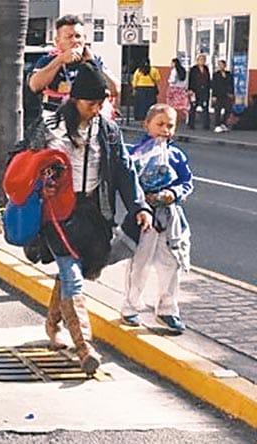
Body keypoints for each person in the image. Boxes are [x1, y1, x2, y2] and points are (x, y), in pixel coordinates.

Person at [33, 61, 152, 375]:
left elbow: (124, 170)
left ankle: (52, 324)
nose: (96, 109)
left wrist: (139, 206)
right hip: (56, 212)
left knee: (78, 270)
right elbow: (23, 161)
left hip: (93, 213)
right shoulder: (50, 126)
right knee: (71, 272)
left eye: (101, 103)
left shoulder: (108, 130)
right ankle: (84, 347)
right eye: (91, 103)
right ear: (75, 100)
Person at [120, 104, 192, 333]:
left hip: (169, 217)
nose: (165, 130)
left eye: (170, 126)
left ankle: (167, 309)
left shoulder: (176, 155)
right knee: (139, 263)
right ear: (146, 125)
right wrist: (142, 199)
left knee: (171, 262)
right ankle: (130, 306)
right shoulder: (135, 154)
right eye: (160, 124)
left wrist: (174, 193)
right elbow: (128, 183)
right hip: (145, 218)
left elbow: (186, 181)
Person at [29, 15, 120, 119]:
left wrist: (92, 63)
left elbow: (115, 90)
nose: (74, 41)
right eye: (69, 37)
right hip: (56, 116)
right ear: (57, 41)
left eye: (78, 36)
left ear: (84, 38)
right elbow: (34, 86)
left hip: (88, 117)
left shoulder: (94, 60)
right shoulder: (48, 60)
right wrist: (60, 60)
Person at [188, 54, 211, 130]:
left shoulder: (206, 68)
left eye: (203, 60)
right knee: (193, 107)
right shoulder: (193, 69)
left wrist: (209, 88)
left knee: (205, 108)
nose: (202, 61)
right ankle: (191, 124)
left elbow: (208, 79)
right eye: (200, 59)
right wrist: (190, 89)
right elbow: (191, 80)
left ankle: (206, 125)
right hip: (195, 91)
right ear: (197, 61)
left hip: (204, 91)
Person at [211, 59, 234, 133]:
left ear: (225, 66)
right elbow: (214, 85)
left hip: (227, 95)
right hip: (218, 95)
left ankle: (224, 124)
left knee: (228, 109)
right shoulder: (216, 75)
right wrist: (214, 96)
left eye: (222, 65)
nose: (220, 66)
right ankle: (217, 125)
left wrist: (231, 93)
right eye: (219, 65)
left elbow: (231, 84)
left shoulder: (229, 74)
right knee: (218, 110)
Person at [166, 58, 189, 124]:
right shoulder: (184, 70)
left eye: (171, 63)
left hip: (173, 89)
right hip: (182, 89)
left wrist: (168, 80)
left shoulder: (174, 71)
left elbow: (172, 80)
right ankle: (187, 117)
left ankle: (171, 118)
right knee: (183, 105)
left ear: (174, 63)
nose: (171, 64)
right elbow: (186, 81)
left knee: (171, 105)